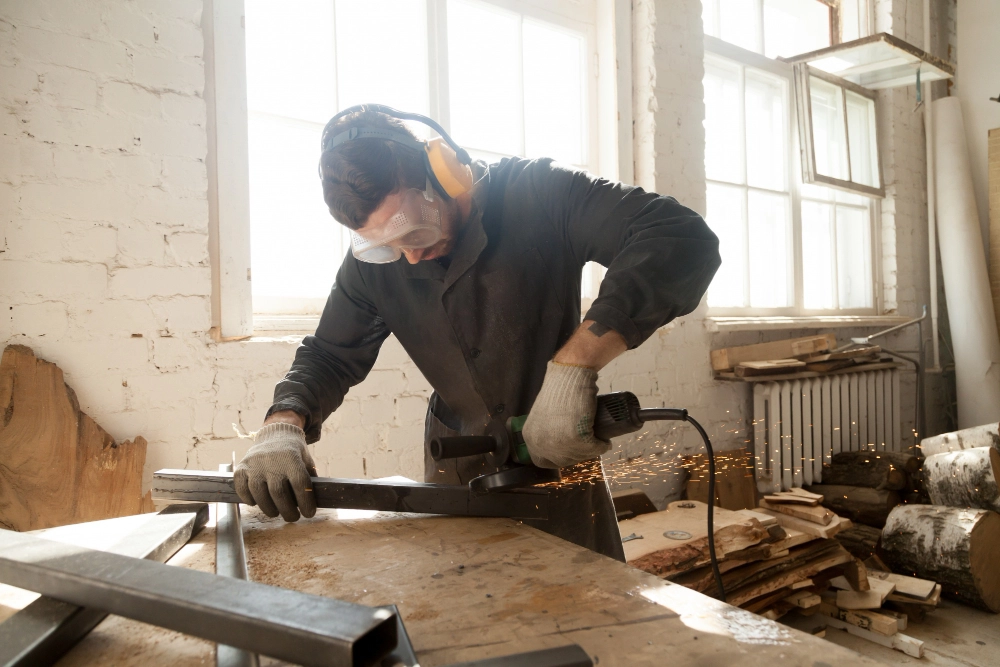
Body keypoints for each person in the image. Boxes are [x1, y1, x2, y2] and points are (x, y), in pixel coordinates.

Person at [234, 105, 721, 561]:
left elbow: (678, 237)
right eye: (388, 246)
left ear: (445, 171)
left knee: (590, 610)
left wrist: (576, 364)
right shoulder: (376, 262)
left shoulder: (539, 194)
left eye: (416, 234)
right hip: (456, 468)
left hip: (555, 456)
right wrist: (284, 424)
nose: (410, 256)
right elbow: (330, 355)